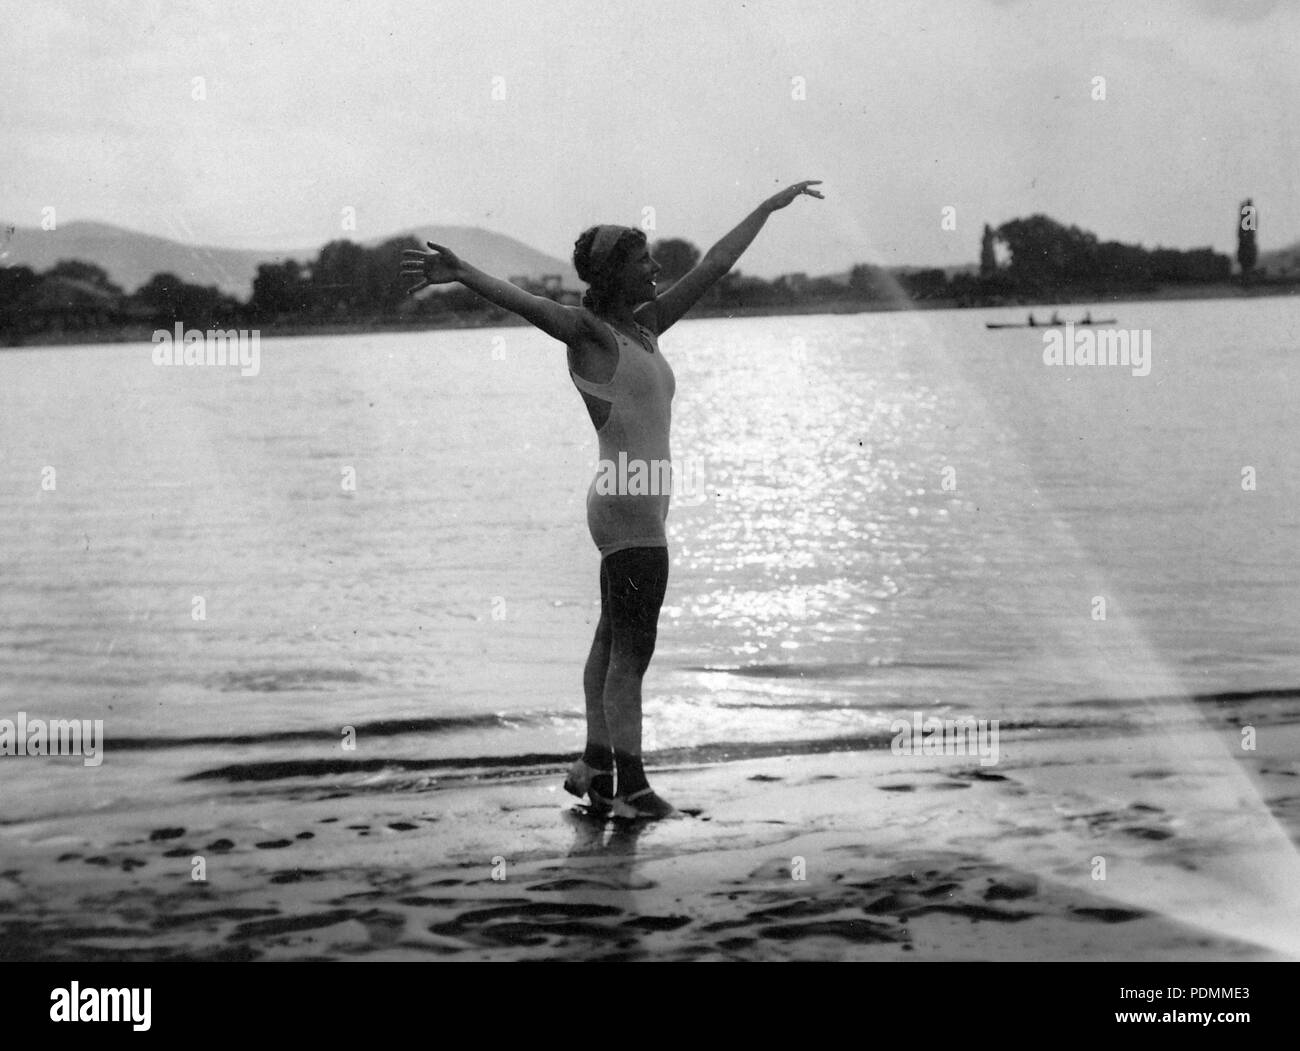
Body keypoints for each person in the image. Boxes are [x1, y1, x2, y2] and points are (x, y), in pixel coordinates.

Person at [401, 180, 824, 818]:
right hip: (629, 504)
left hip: (629, 501)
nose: (656, 267)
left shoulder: (647, 328)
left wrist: (765, 210)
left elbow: (714, 264)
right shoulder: (591, 334)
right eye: (643, 261)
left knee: (611, 639)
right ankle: (635, 787)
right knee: (633, 652)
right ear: (615, 275)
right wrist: (463, 273)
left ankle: (594, 766)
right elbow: (529, 304)